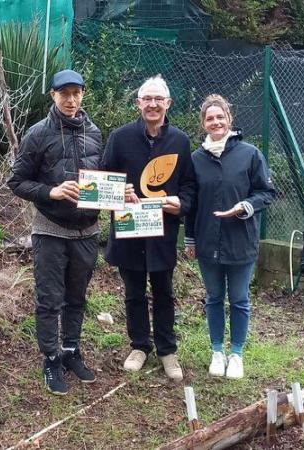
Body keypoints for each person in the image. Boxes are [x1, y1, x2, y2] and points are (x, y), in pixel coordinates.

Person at [7, 69, 102, 395]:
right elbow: (17, 182)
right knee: (50, 300)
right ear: (53, 95)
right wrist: (52, 192)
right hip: (51, 230)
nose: (71, 100)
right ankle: (50, 358)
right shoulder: (38, 134)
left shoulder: (94, 133)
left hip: (87, 232)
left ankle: (71, 351)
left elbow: (101, 182)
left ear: (83, 94)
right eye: (65, 94)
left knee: (77, 298)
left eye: (76, 93)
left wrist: (118, 195)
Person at [102, 75, 196, 381]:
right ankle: (139, 346)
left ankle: (167, 351)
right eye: (147, 99)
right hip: (129, 230)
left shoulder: (180, 141)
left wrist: (180, 204)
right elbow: (101, 181)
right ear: (138, 103)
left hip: (162, 233)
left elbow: (190, 186)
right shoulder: (119, 137)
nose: (153, 104)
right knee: (133, 292)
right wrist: (121, 192)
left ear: (168, 104)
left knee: (164, 291)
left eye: (159, 99)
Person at [184, 94, 275, 379]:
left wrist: (246, 206)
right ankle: (216, 351)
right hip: (207, 242)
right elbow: (191, 202)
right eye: (210, 118)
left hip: (241, 240)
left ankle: (236, 354)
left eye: (220, 117)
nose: (216, 122)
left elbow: (266, 193)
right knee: (213, 298)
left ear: (229, 120)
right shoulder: (195, 159)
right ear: (203, 124)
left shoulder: (250, 154)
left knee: (238, 299)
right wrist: (189, 239)